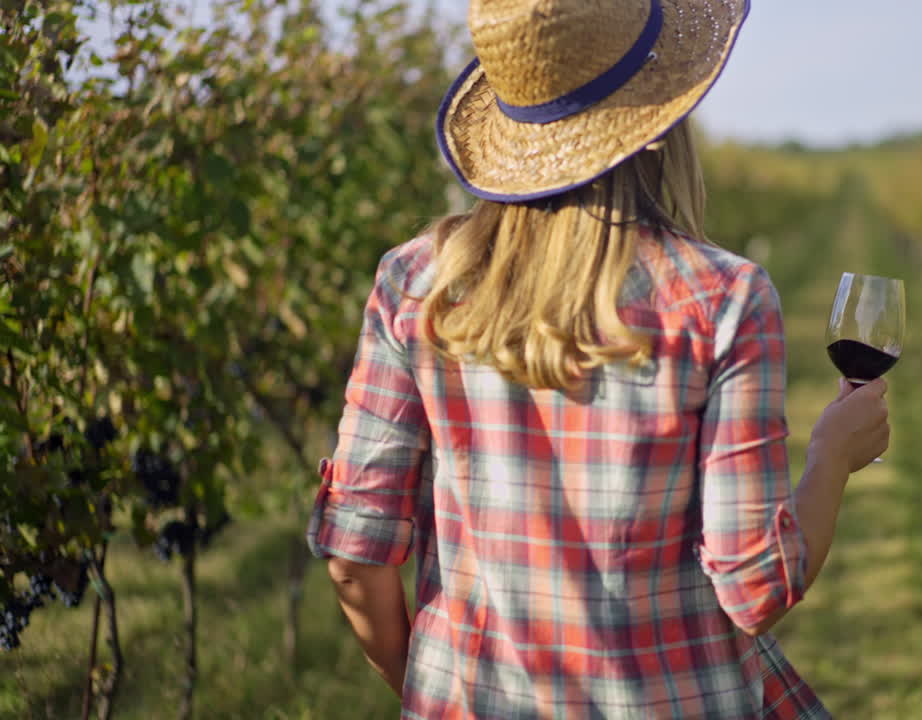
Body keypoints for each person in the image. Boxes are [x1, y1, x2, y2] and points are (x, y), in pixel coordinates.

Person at [306, 0, 890, 717]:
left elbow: (356, 558)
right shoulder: (722, 298)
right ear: (655, 125)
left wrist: (438, 693)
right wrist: (831, 455)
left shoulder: (417, 284)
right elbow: (756, 588)